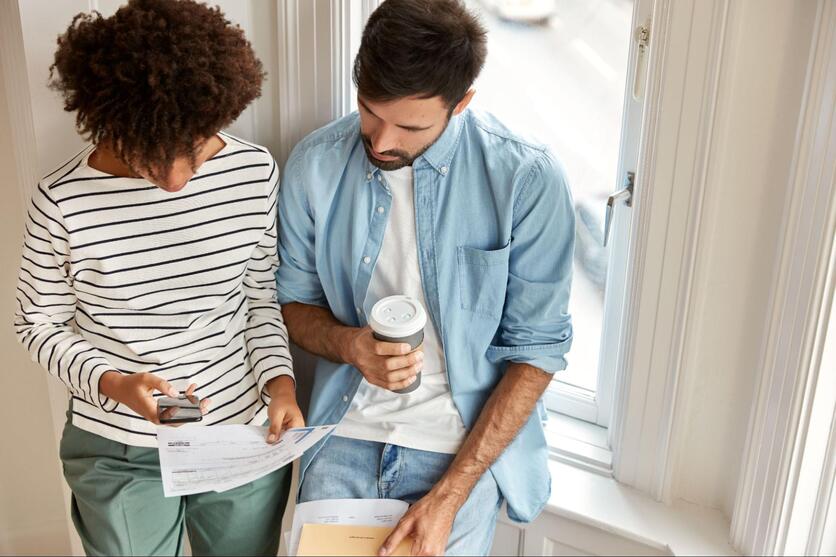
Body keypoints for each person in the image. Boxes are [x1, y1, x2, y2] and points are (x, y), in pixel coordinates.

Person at [276, 0, 575, 555]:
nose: (382, 141)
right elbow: (293, 303)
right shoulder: (314, 164)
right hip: (345, 432)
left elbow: (537, 352)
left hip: (460, 448)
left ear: (461, 103)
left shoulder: (525, 178)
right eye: (369, 110)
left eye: (410, 125)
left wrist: (450, 495)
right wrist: (350, 345)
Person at [13, 1, 302, 555]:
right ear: (110, 121)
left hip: (237, 430)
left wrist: (280, 384)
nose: (174, 180)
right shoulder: (62, 202)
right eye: (150, 156)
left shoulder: (253, 172)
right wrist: (116, 384)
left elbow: (259, 297)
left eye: (192, 152)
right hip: (119, 448)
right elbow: (37, 325)